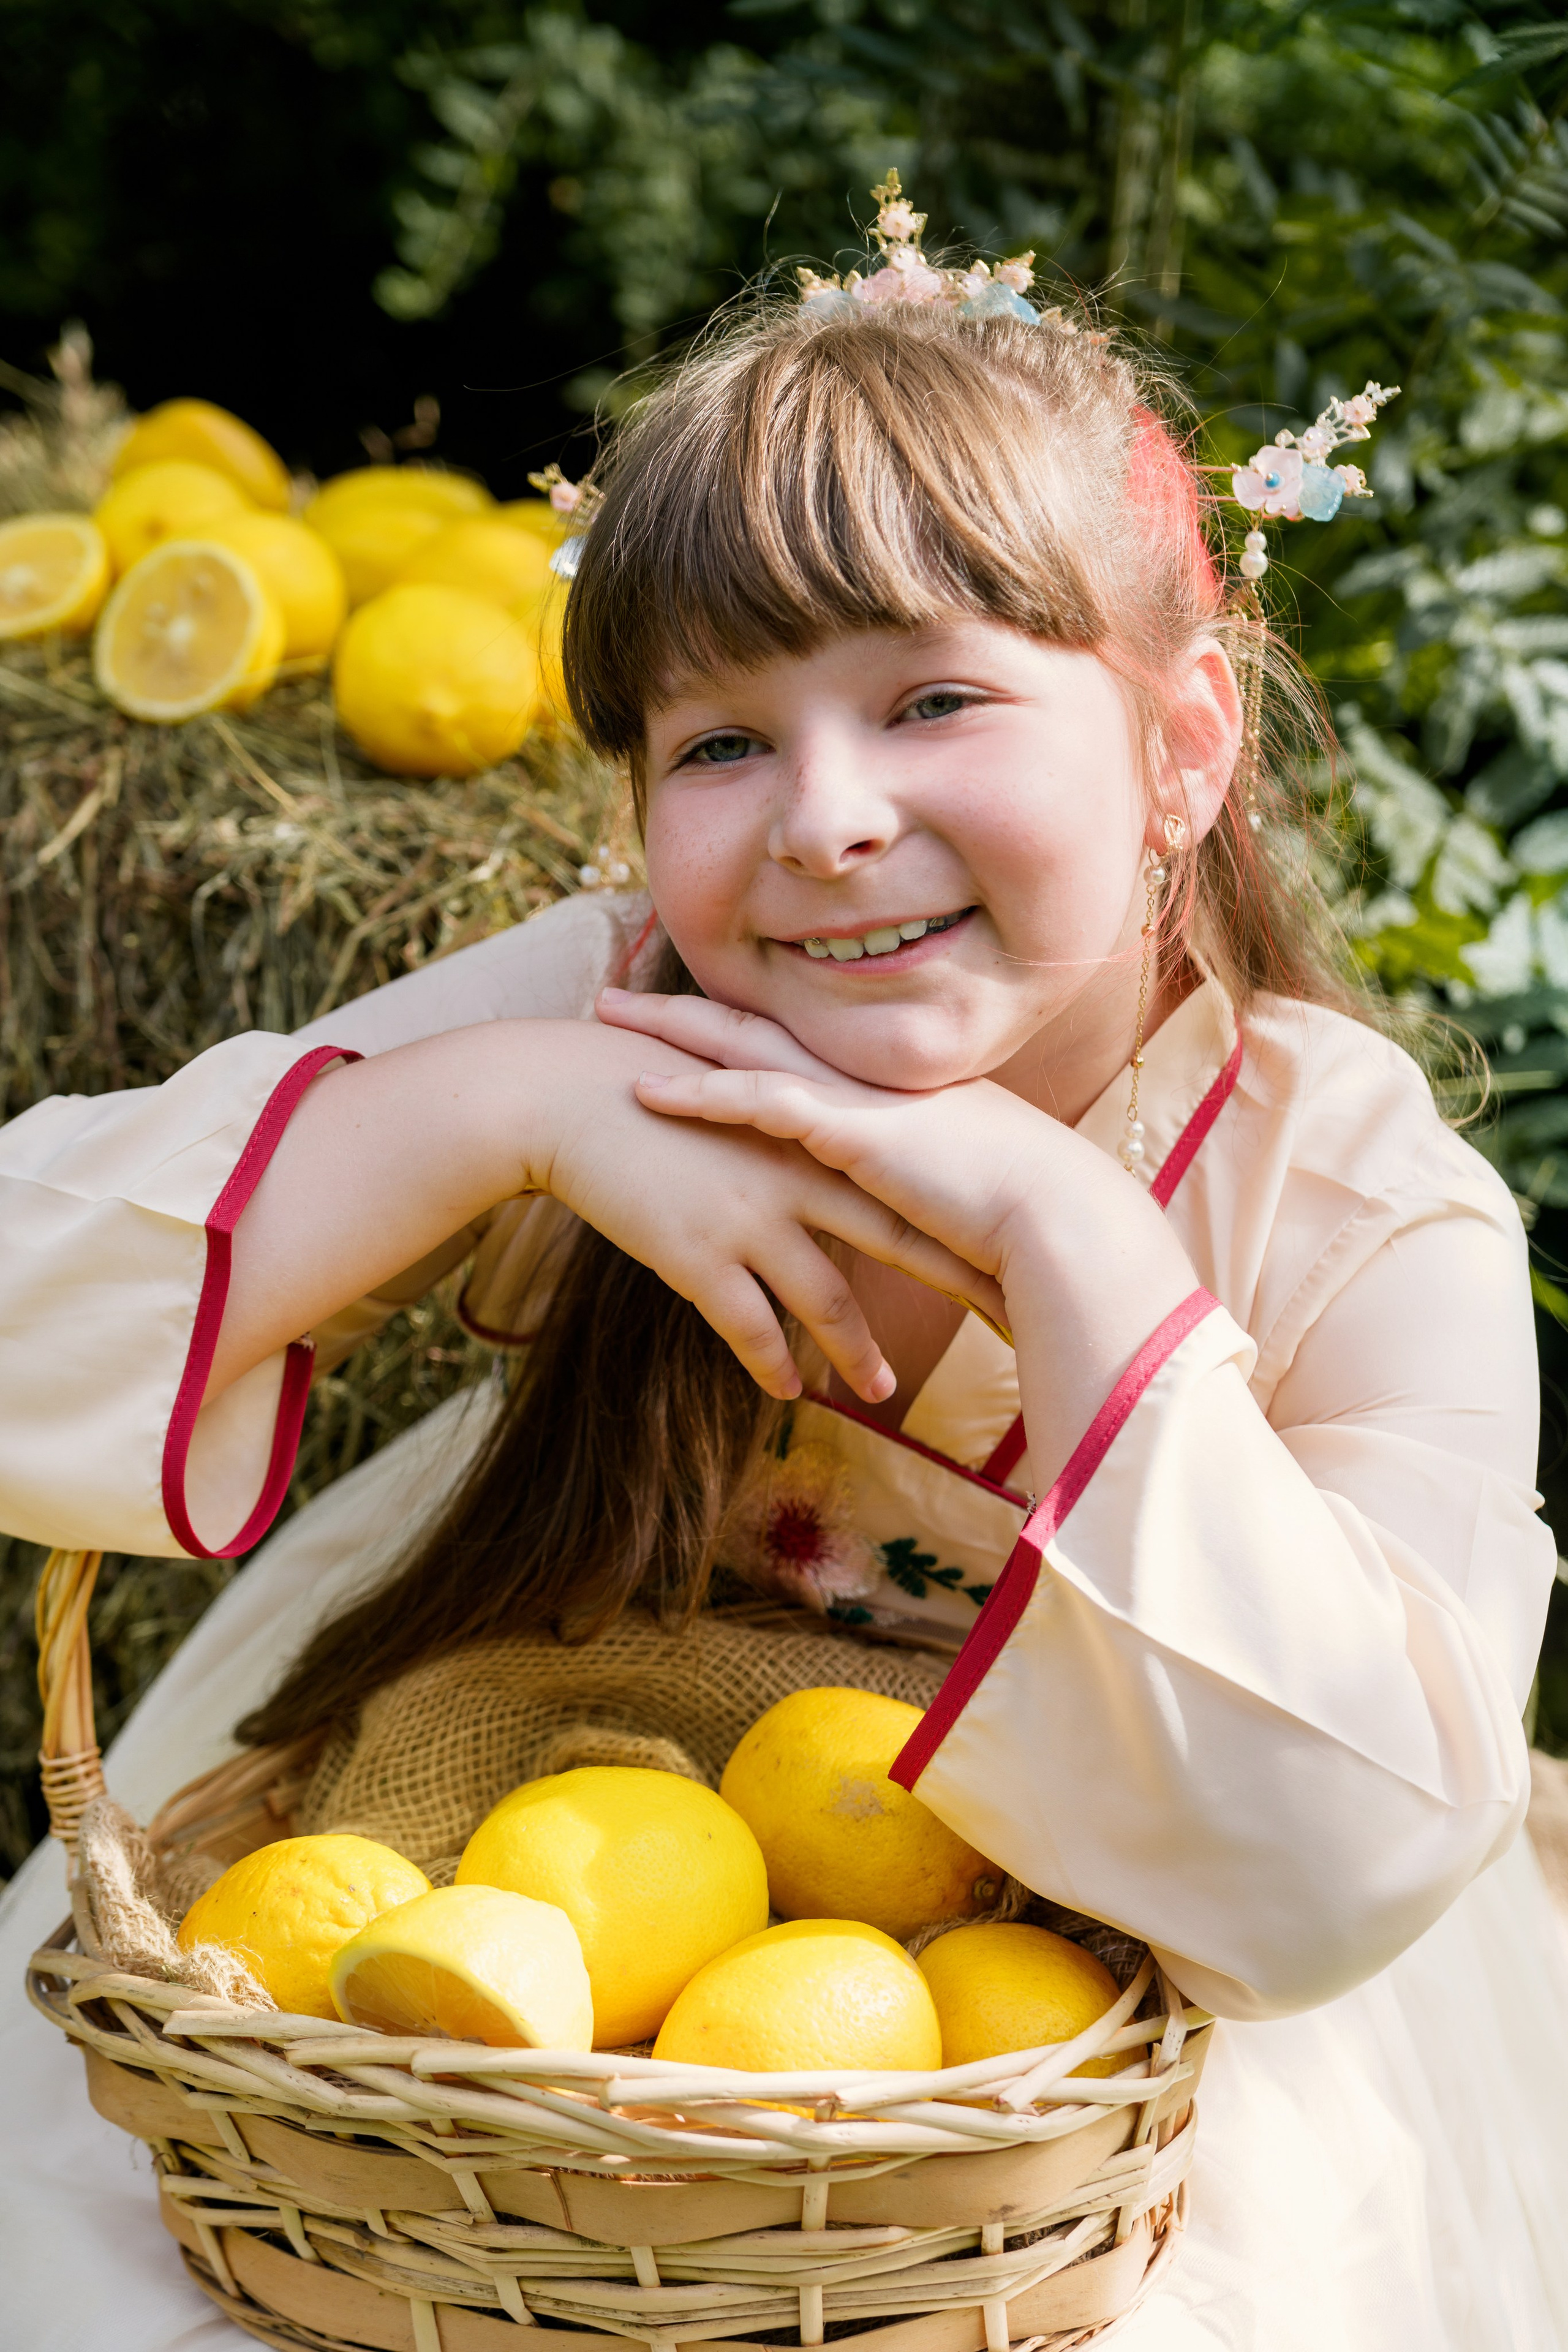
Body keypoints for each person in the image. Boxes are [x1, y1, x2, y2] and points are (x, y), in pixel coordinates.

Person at [2, 201, 1567, 2351]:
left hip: (1098, 2060)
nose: (826, 819)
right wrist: (507, 1108)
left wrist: (1057, 1223)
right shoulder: (626, 1011)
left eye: (934, 698)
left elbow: (1333, 1858)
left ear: (1185, 743)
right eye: (719, 744)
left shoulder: (1364, 1201)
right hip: (557, 1897)